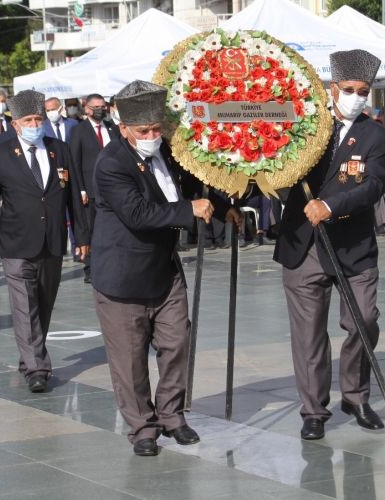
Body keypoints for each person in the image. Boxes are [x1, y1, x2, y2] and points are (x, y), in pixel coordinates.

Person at [91, 80, 240, 456]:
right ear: (124, 128)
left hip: (165, 270)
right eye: (144, 131)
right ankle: (143, 425)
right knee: (130, 360)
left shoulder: (169, 154)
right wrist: (187, 212)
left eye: (157, 129)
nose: (152, 136)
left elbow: (196, 183)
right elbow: (138, 213)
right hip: (123, 278)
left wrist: (225, 208)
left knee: (177, 344)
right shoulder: (110, 164)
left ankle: (172, 414)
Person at [275, 49, 385, 441]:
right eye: (348, 89)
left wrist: (330, 204)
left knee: (364, 319)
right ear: (332, 88)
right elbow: (272, 167)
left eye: (363, 90)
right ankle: (313, 410)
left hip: (352, 245)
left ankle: (356, 396)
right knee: (308, 335)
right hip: (303, 244)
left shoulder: (376, 134)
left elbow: (373, 185)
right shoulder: (305, 126)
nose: (356, 96)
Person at [0, 90, 89, 393]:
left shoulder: (59, 149)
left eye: (38, 118)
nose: (34, 124)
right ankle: (37, 368)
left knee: (43, 303)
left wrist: (81, 236)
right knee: (24, 305)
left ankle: (29, 355)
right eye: (28, 119)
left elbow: (74, 197)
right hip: (15, 241)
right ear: (15, 123)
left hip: (52, 241)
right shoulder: (1, 152)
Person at [69, 93, 119, 283]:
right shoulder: (78, 131)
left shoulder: (111, 128)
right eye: (96, 107)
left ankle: (111, 264)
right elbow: (75, 161)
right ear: (87, 109)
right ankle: (90, 267)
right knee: (91, 229)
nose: (101, 109)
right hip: (90, 190)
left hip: (112, 189)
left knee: (111, 228)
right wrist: (81, 188)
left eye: (103, 106)